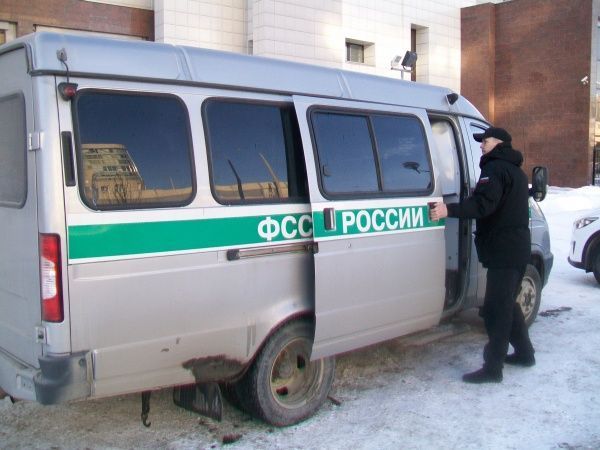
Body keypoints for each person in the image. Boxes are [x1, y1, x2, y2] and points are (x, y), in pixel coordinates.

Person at [429, 127, 535, 384]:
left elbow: (483, 205)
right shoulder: (516, 172)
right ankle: (525, 354)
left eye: (485, 141)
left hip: (504, 252)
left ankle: (493, 368)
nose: (481, 145)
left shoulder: (495, 169)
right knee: (507, 304)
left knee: (496, 310)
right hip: (517, 249)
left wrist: (448, 210)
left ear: (498, 143)